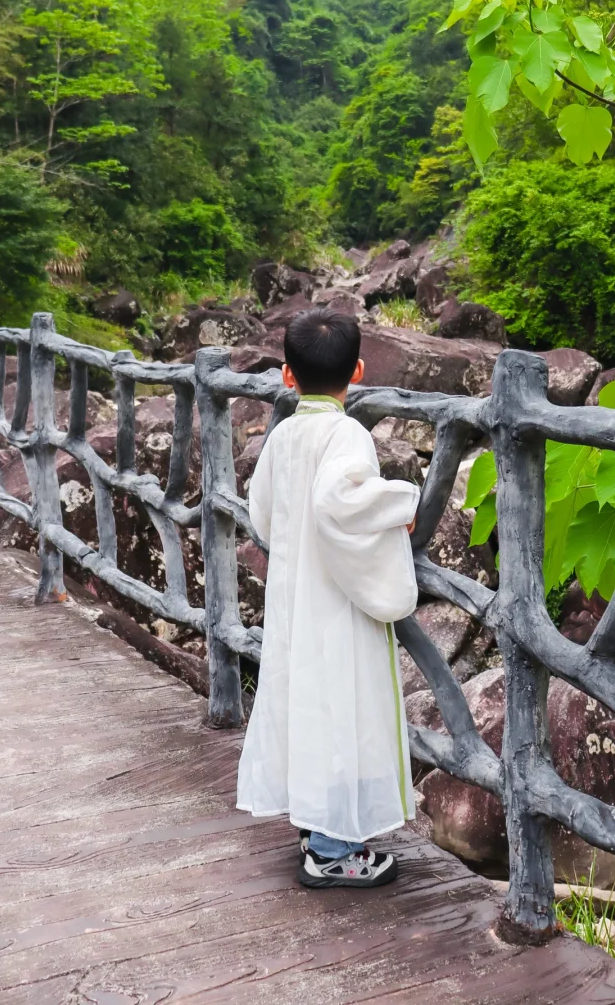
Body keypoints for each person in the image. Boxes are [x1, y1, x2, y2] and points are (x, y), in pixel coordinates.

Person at [236, 307, 420, 888]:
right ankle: (333, 848)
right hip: (335, 600)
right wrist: (401, 505)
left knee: (306, 703)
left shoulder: (284, 434)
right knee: (343, 709)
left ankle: (316, 824)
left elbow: (261, 510)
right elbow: (340, 502)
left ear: (287, 375)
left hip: (294, 596)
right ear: (358, 371)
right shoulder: (346, 434)